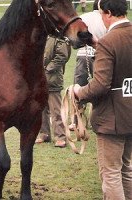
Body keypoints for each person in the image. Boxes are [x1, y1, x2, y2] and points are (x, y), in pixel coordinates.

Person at [73, 0, 132, 199]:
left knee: (111, 173)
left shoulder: (109, 41)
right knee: (126, 169)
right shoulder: (115, 39)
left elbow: (100, 85)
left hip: (112, 119)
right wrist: (97, 44)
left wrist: (78, 93)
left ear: (107, 13)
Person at [70, 0, 107, 131]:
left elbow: (75, 38)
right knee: (100, 87)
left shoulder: (84, 18)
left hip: (83, 54)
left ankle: (75, 121)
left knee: (79, 87)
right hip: (101, 56)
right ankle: (99, 119)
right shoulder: (106, 19)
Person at [35, 36, 71, 148]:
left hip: (53, 80)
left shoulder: (59, 38)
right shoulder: (40, 35)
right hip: (39, 79)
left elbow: (62, 56)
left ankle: (60, 137)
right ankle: (44, 134)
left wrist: (47, 68)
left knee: (56, 110)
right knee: (41, 109)